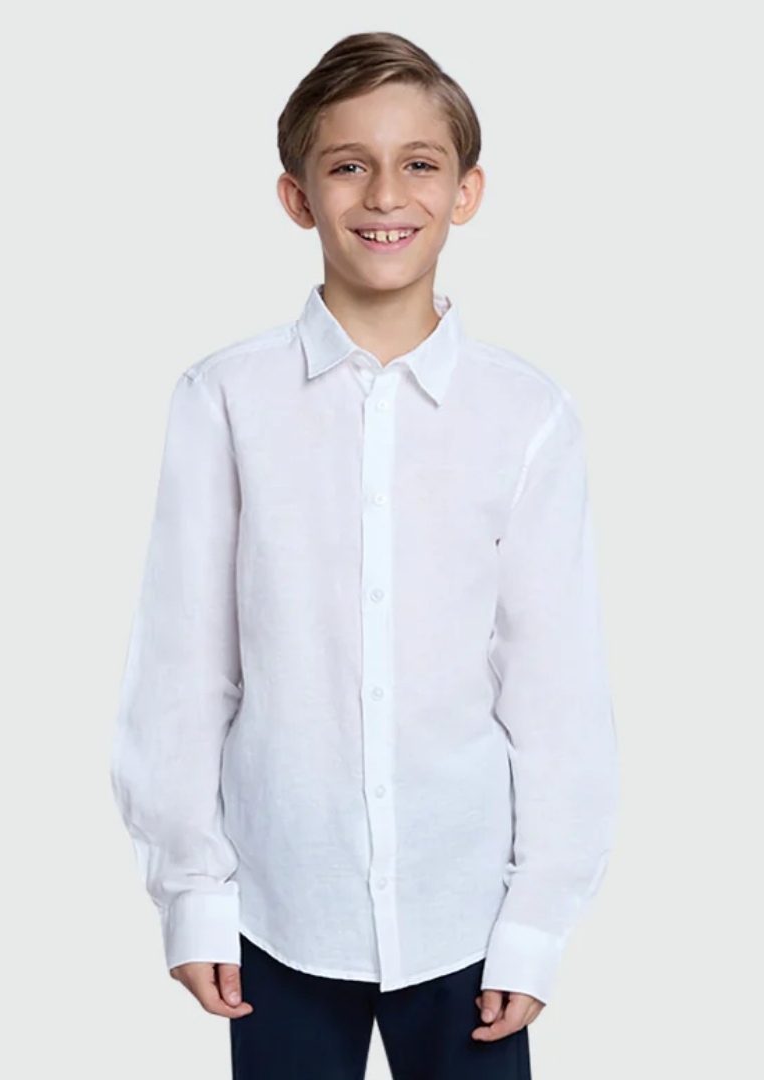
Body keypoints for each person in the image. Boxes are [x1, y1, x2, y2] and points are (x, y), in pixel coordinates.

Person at [110, 30, 619, 1080]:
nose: (386, 194)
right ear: (297, 197)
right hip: (279, 910)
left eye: (419, 163)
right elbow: (183, 666)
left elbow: (555, 687)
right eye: (348, 165)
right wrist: (192, 892)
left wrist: (537, 918)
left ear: (466, 191)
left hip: (464, 915)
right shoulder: (225, 400)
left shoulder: (527, 416)